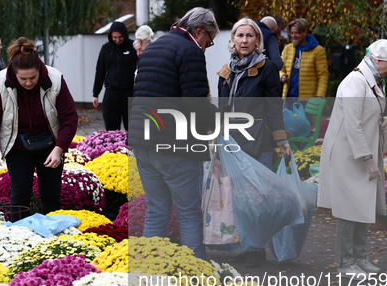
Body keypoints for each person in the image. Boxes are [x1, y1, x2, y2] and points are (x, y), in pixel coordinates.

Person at [128, 7, 220, 260]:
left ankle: (148, 270)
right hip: (175, 144)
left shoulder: (154, 47)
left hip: (143, 141)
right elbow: (195, 101)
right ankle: (195, 281)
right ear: (199, 31)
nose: (205, 47)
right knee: (189, 213)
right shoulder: (189, 50)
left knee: (156, 211)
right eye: (208, 42)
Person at [318, 39, 387, 278]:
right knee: (349, 209)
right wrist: (367, 159)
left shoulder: (371, 80)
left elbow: (366, 117)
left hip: (360, 151)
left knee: (363, 204)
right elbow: (353, 126)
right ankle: (344, 262)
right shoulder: (356, 81)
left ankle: (359, 257)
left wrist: (380, 122)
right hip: (349, 154)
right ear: (377, 60)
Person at [217, 17, 292, 267]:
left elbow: (273, 108)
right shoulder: (226, 70)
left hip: (256, 141)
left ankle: (257, 249)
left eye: (250, 36)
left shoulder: (267, 68)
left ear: (258, 40)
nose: (244, 40)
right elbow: (221, 109)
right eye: (240, 36)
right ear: (233, 40)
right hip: (230, 143)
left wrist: (281, 140)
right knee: (238, 198)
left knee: (257, 198)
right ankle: (248, 246)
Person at [0, 37, 78, 221]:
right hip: (17, 147)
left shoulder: (55, 79)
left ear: (40, 70)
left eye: (32, 78)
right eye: (22, 78)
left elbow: (70, 119)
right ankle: (19, 236)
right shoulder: (0, 82)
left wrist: (59, 149)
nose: (28, 83)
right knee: (19, 195)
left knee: (51, 194)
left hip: (50, 146)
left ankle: (53, 236)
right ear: (14, 73)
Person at [92, 21, 138, 131]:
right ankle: (113, 148)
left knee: (132, 128)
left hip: (129, 93)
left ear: (125, 35)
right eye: (114, 37)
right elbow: (100, 71)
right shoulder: (106, 48)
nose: (117, 40)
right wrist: (95, 93)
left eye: (120, 37)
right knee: (111, 130)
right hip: (111, 93)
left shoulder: (133, 48)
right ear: (110, 36)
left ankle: (132, 148)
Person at [279, 18, 329, 102]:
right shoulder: (287, 49)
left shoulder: (318, 50)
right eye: (292, 33)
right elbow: (281, 68)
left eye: (297, 33)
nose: (294, 36)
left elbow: (322, 75)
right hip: (288, 96)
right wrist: (282, 76)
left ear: (305, 32)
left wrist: (320, 95)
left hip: (308, 99)